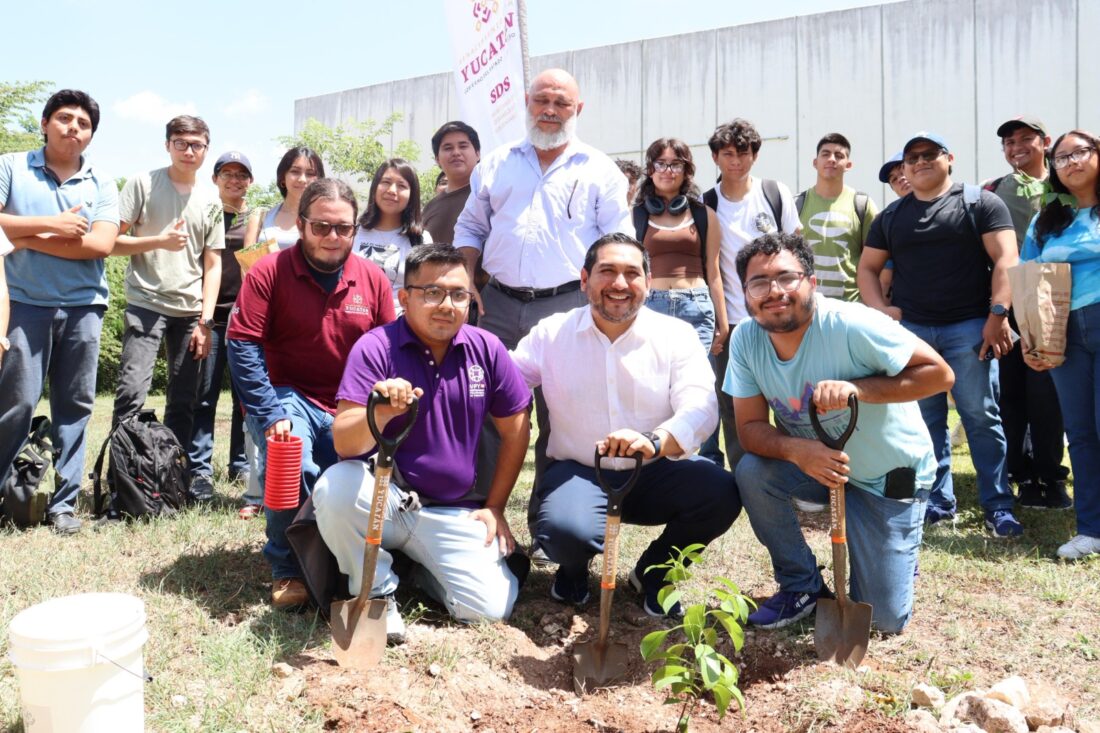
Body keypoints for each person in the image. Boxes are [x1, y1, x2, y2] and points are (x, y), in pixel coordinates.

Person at [726, 232, 952, 633]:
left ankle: (897, 547)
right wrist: (798, 451)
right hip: (822, 469)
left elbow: (940, 375)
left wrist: (858, 390)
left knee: (882, 620)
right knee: (753, 471)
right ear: (745, 293)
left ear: (812, 282)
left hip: (888, 478)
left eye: (786, 277)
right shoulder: (746, 339)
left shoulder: (851, 324)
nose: (774, 291)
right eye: (758, 282)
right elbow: (749, 429)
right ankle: (802, 586)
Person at [512, 233, 741, 617]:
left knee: (721, 493)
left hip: (654, 471)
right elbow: (506, 381)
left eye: (632, 273)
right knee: (566, 532)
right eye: (607, 271)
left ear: (648, 283)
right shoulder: (552, 333)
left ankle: (653, 574)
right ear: (584, 279)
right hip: (580, 472)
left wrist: (655, 441)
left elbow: (701, 405)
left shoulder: (676, 335)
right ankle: (573, 572)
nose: (620, 283)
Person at [314, 244, 532, 642]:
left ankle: (420, 571)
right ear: (405, 297)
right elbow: (344, 443)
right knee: (336, 486)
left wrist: (496, 506)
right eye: (432, 292)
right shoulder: (376, 347)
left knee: (489, 610)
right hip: (387, 500)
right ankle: (377, 593)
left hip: (456, 512)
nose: (446, 305)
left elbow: (517, 429)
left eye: (459, 294)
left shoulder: (487, 349)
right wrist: (381, 411)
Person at [453, 68, 632, 539]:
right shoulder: (495, 163)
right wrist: (466, 275)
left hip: (568, 307)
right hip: (496, 306)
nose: (550, 110)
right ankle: (478, 518)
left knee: (561, 417)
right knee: (483, 409)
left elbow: (619, 241)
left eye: (561, 102)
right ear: (526, 102)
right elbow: (470, 226)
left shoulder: (600, 170)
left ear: (578, 109)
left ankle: (547, 528)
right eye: (542, 100)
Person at [228, 178, 396, 609]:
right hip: (286, 395)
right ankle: (287, 568)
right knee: (292, 456)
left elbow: (389, 349)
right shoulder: (269, 271)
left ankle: (335, 560)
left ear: (355, 230)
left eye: (343, 227)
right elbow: (242, 343)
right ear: (301, 225)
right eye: (321, 226)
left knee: (344, 481)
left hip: (349, 402)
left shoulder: (373, 279)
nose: (332, 236)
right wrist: (269, 413)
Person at [857, 132, 1022, 537]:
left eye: (929, 154)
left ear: (949, 158)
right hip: (913, 334)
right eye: (911, 158)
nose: (919, 162)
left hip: (970, 327)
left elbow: (1007, 258)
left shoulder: (980, 203)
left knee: (980, 416)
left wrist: (998, 314)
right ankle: (938, 502)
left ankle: (998, 506)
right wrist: (880, 312)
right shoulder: (891, 217)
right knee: (924, 420)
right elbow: (867, 269)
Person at [0, 90, 118, 535]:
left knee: (76, 405)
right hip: (23, 302)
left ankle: (64, 504)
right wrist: (53, 225)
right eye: (65, 118)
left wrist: (21, 236)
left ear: (91, 135)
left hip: (84, 305)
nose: (73, 127)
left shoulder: (101, 182)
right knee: (17, 401)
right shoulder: (11, 166)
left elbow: (101, 244)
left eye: (83, 123)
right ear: (45, 123)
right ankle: (5, 494)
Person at [112, 115, 225, 494]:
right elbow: (111, 242)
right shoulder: (142, 183)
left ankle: (171, 482)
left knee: (184, 401)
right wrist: (158, 241)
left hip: (191, 312)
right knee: (131, 393)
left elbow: (213, 263)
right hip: (145, 303)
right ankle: (123, 484)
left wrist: (206, 322)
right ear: (167, 145)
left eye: (197, 145)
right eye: (181, 143)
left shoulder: (211, 199)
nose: (189, 151)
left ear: (206, 149)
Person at [1020, 129, 1100, 559]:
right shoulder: (1047, 219)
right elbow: (1028, 277)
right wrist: (1032, 340)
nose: (1071, 162)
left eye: (1080, 152)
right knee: (1081, 433)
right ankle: (1091, 529)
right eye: (1062, 157)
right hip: (1063, 331)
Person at [705, 118, 801, 473]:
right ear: (715, 157)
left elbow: (797, 251)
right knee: (735, 404)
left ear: (755, 155)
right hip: (734, 321)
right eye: (728, 154)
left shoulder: (774, 192)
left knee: (793, 399)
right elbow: (710, 267)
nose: (736, 161)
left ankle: (796, 469)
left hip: (780, 317)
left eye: (743, 153)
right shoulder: (707, 202)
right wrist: (720, 322)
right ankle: (747, 476)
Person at [986, 117, 1070, 509]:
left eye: (1025, 139)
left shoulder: (1065, 187)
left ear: (1045, 142)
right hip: (1007, 305)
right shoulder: (993, 191)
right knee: (1010, 394)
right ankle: (1021, 475)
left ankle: (1051, 476)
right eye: (1008, 142)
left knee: (1047, 395)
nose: (1016, 147)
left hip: (1051, 301)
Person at [633, 137, 727, 466]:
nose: (668, 170)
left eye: (676, 164)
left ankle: (706, 461)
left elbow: (714, 272)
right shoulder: (635, 215)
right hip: (652, 306)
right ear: (650, 169)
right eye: (661, 163)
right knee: (654, 385)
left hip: (696, 306)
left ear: (687, 171)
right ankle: (656, 455)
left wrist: (723, 323)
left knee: (699, 386)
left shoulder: (704, 215)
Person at [187, 151, 257, 510]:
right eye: (227, 173)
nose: (234, 180)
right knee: (204, 394)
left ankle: (240, 463)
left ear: (250, 181)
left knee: (244, 396)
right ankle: (199, 467)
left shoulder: (256, 218)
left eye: (241, 174)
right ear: (214, 179)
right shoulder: (205, 212)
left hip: (246, 317)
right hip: (211, 315)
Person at [796, 133, 879, 302]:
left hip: (852, 306)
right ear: (815, 162)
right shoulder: (796, 204)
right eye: (825, 154)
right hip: (808, 306)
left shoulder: (863, 205)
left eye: (839, 156)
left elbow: (877, 261)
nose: (832, 159)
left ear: (848, 165)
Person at [352, 158, 431, 313]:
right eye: (386, 182)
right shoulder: (352, 231)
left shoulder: (421, 240)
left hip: (400, 321)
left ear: (412, 194)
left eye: (401, 185)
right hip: (356, 317)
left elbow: (427, 288)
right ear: (375, 187)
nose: (392, 190)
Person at [243, 147, 324, 250]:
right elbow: (248, 260)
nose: (302, 179)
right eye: (295, 171)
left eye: (310, 174)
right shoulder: (259, 217)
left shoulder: (326, 219)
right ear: (282, 178)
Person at [422, 121, 481, 245]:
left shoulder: (489, 194)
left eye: (463, 146)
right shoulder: (430, 208)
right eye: (448, 148)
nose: (456, 153)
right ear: (437, 159)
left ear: (477, 154)